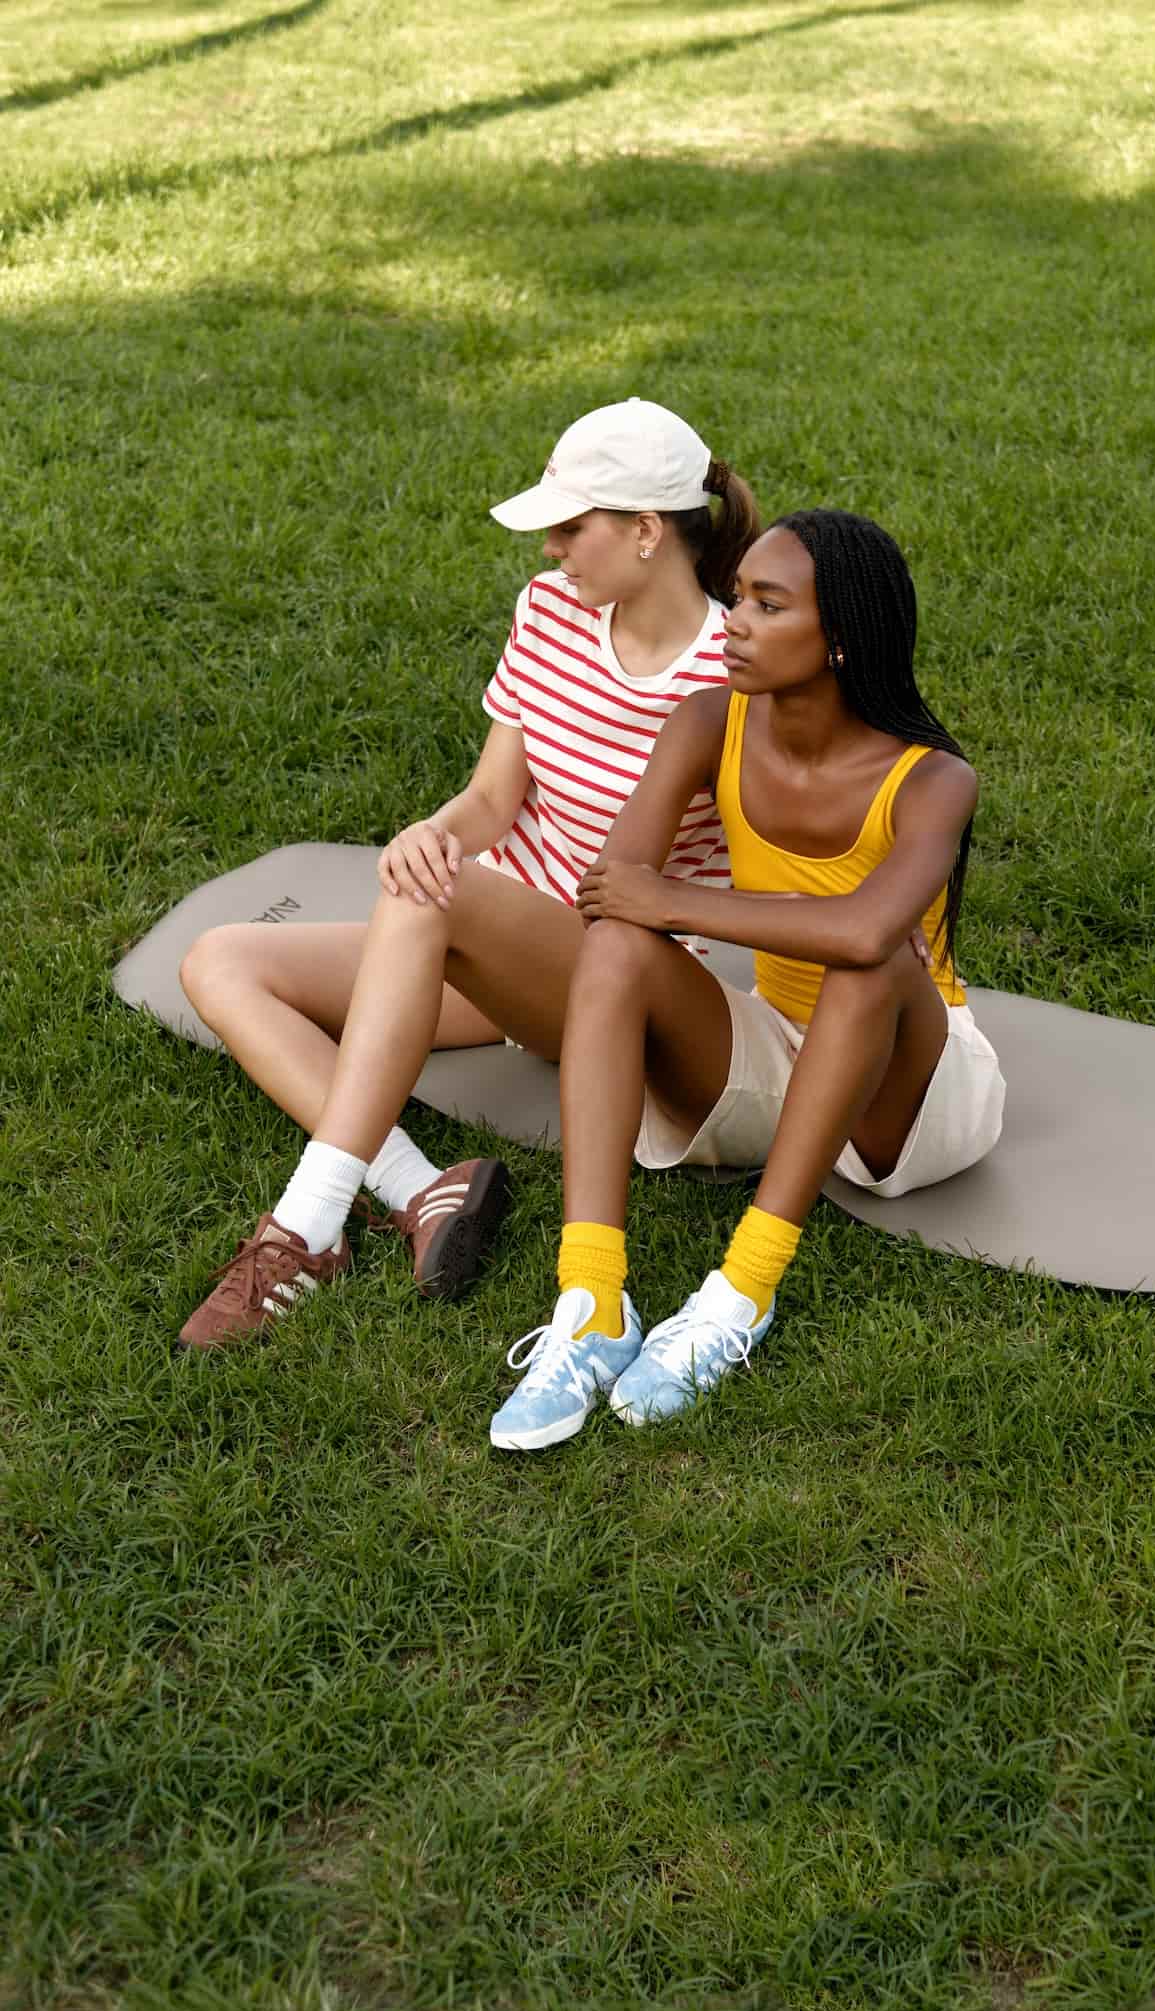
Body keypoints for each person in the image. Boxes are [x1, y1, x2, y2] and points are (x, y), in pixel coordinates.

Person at [176, 398, 759, 1349]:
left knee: (437, 893)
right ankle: (422, 1189)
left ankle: (303, 1229)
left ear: (648, 532)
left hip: (617, 987)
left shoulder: (732, 673)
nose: (551, 553)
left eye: (572, 529)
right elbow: (492, 800)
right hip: (491, 943)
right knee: (220, 961)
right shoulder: (549, 615)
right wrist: (434, 829)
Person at [488, 508, 1006, 1450]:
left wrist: (673, 902)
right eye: (737, 599)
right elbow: (613, 894)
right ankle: (592, 1302)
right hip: (783, 1056)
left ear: (840, 640)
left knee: (863, 960)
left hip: (917, 1094)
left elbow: (862, 928)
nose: (733, 622)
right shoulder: (708, 722)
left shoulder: (933, 779)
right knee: (613, 945)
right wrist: (646, 905)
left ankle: (740, 1294)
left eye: (768, 607)